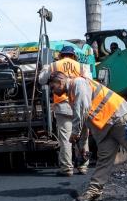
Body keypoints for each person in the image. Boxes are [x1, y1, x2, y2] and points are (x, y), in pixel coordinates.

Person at [44, 70, 127, 201]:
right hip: (104, 126)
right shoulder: (72, 94)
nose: (53, 91)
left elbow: (83, 110)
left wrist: (75, 133)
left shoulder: (78, 83)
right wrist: (80, 143)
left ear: (60, 81)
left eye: (53, 87)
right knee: (104, 159)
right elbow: (84, 120)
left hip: (118, 117)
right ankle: (94, 191)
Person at [38, 45, 89, 176]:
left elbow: (41, 80)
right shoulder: (82, 67)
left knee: (66, 138)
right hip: (80, 105)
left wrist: (44, 68)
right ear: (73, 56)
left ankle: (67, 168)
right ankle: (83, 166)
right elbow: (89, 84)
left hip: (63, 105)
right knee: (83, 136)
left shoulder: (53, 66)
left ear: (61, 55)